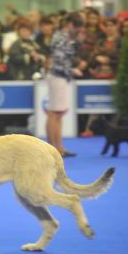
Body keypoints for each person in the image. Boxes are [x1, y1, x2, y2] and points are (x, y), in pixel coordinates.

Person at [45, 12, 84, 158]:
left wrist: (77, 41)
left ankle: (58, 148)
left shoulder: (64, 37)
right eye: (77, 27)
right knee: (54, 113)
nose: (78, 31)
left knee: (57, 113)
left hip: (60, 77)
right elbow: (59, 60)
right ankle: (52, 149)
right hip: (57, 76)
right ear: (70, 25)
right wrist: (73, 70)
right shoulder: (60, 37)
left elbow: (68, 54)